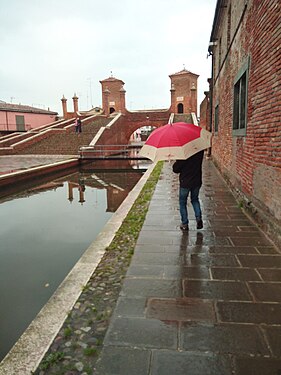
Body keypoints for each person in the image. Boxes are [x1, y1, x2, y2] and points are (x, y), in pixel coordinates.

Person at [172, 150, 204, 231]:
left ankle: (185, 224)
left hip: (185, 182)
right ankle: (198, 218)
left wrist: (177, 160)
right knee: (195, 200)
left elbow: (176, 169)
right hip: (197, 180)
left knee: (182, 202)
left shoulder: (183, 153)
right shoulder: (200, 151)